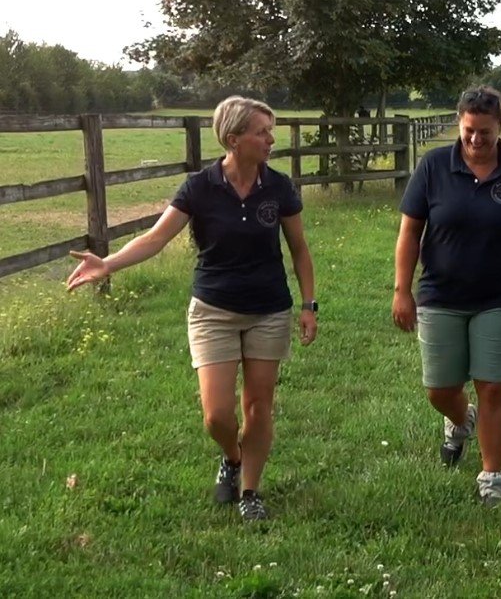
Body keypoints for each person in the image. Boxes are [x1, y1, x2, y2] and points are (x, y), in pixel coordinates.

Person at [67, 96, 317, 522]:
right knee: (216, 415)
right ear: (234, 139)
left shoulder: (278, 187)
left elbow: (299, 249)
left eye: (270, 131)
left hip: (268, 309)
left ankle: (250, 491)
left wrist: (309, 305)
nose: (270, 140)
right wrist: (107, 263)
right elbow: (155, 238)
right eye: (262, 132)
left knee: (258, 406)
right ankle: (232, 456)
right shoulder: (200, 187)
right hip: (213, 311)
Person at [391, 85, 501, 507]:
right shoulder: (434, 166)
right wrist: (402, 289)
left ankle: (492, 473)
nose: (476, 139)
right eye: (469, 130)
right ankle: (460, 418)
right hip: (441, 293)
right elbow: (410, 231)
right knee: (439, 388)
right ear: (459, 124)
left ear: (500, 126)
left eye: (485, 131)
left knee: (494, 387)